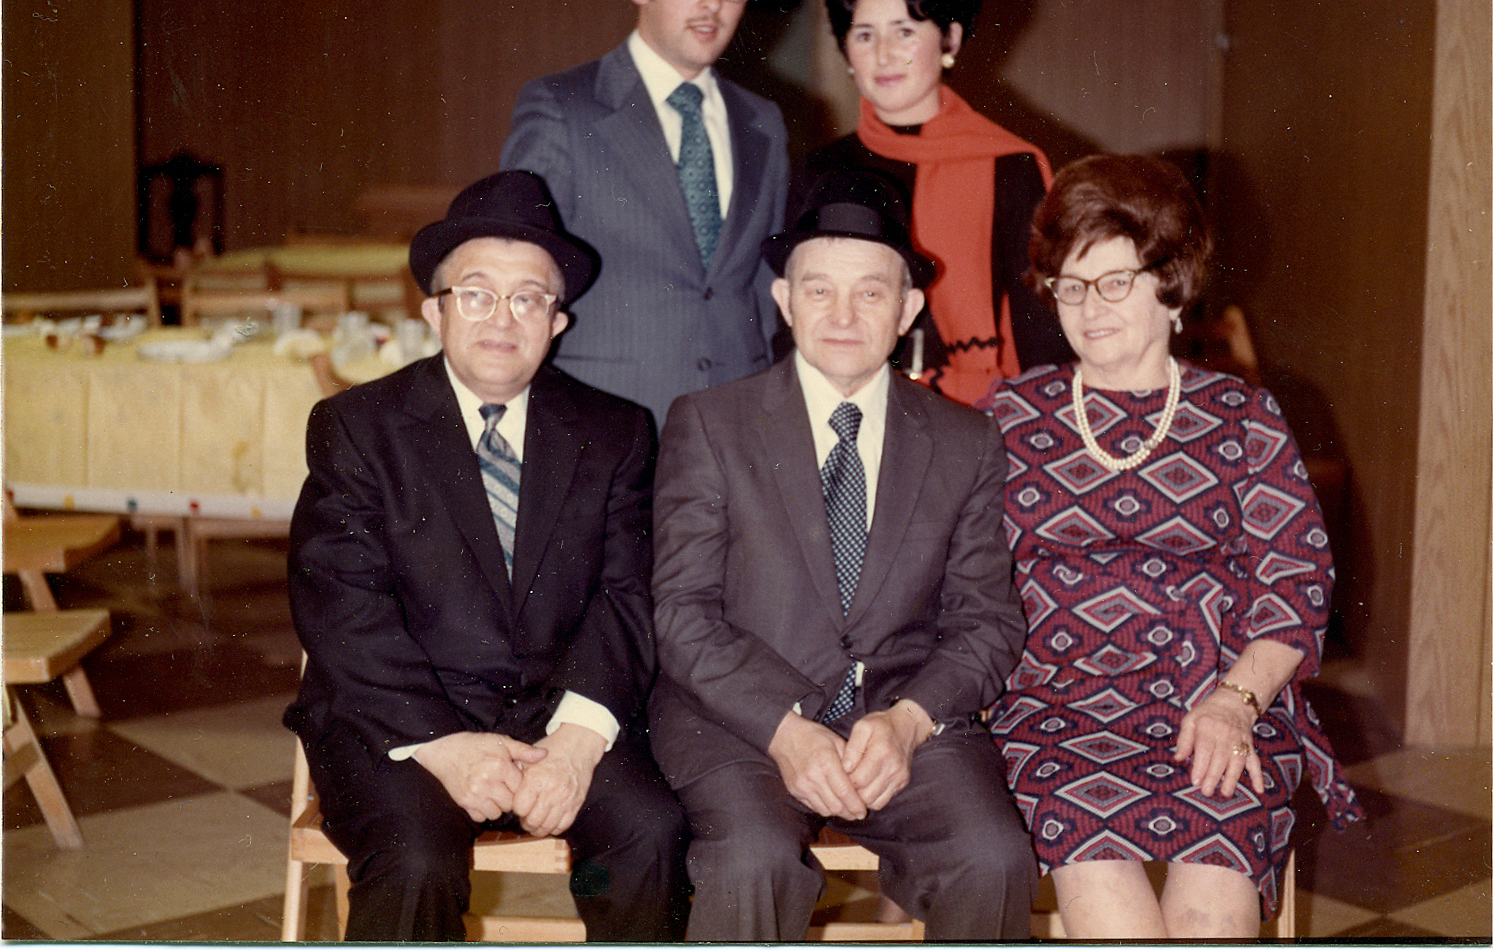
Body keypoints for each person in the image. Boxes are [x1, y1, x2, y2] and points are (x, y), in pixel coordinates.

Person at [283, 170, 689, 942]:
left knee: (649, 832)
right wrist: (444, 745)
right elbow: (339, 605)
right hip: (398, 720)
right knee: (416, 859)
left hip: (557, 715)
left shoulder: (614, 431)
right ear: (433, 310)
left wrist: (576, 745)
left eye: (528, 298)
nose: (502, 318)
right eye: (475, 294)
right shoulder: (359, 427)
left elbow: (626, 595)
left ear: (557, 321)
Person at [980, 153, 1362, 939]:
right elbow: (964, 575)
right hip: (1054, 703)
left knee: (1215, 887)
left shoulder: (1241, 417)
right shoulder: (1013, 413)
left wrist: (1236, 702)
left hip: (1215, 694)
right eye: (1070, 286)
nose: (1088, 308)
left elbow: (1294, 584)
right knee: (1097, 873)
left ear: (1170, 282)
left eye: (1113, 282)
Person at [649, 169, 1037, 941]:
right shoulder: (710, 424)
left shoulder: (965, 441)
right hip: (742, 723)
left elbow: (987, 622)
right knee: (752, 862)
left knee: (991, 858)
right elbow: (681, 615)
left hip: (902, 720)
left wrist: (909, 721)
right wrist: (783, 728)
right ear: (784, 300)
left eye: (870, 292)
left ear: (908, 309)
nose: (842, 314)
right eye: (818, 290)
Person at [502, 0, 793, 427]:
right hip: (604, 422)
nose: (713, 2)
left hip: (736, 421)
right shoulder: (562, 108)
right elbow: (521, 277)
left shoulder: (764, 122)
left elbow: (763, 286)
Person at [808, 0, 1070, 406]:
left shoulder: (1011, 167)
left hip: (983, 417)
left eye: (905, 31)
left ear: (949, 38)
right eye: (864, 34)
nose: (883, 53)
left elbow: (1045, 342)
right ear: (846, 51)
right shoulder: (821, 170)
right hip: (849, 414)